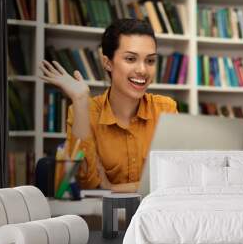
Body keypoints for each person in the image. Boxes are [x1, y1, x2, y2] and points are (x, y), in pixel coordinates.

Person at [39, 19, 177, 192]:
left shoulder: (166, 110)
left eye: (150, 61)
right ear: (107, 63)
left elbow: (173, 182)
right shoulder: (83, 111)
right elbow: (82, 185)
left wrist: (112, 187)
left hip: (154, 217)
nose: (142, 70)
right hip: (101, 218)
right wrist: (81, 101)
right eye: (130, 59)